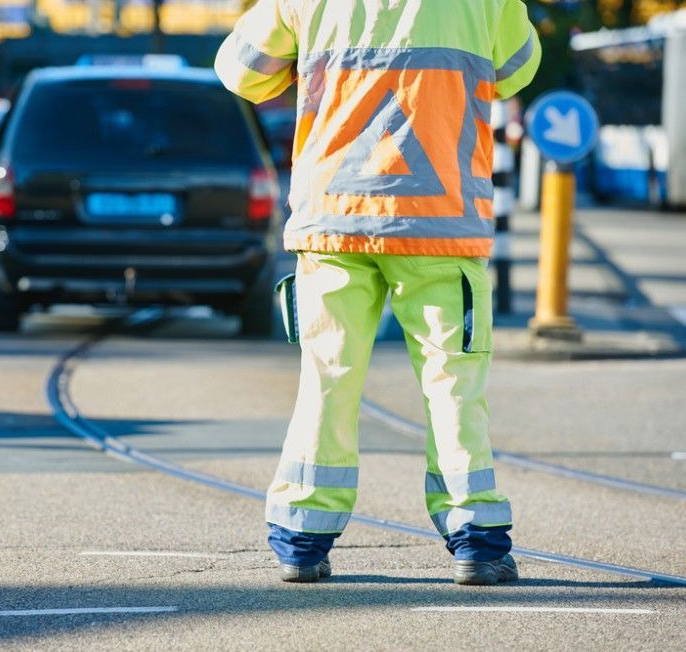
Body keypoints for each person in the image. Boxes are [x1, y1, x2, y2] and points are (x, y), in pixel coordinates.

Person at [215, 0, 540, 585]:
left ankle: (301, 542)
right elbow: (518, 67)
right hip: (440, 225)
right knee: (453, 382)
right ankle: (478, 544)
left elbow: (240, 71)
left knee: (328, 379)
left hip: (335, 219)